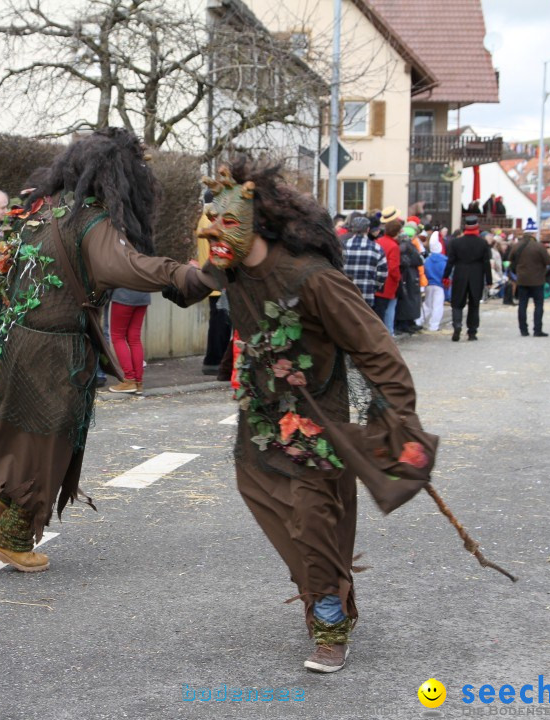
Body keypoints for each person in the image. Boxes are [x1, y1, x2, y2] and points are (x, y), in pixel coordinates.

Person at [180, 158, 433, 674]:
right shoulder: (229, 272)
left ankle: (328, 618)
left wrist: (400, 422)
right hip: (259, 421)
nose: (213, 236)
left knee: (314, 519)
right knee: (281, 514)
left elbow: (377, 350)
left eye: (224, 225)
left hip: (317, 423)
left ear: (253, 224)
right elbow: (181, 280)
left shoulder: (313, 279)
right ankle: (324, 591)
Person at [0, 128, 217, 574]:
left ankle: (6, 495)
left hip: (14, 338)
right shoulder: (87, 221)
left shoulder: (34, 211)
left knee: (16, 425)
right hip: (57, 349)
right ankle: (13, 537)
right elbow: (126, 265)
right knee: (51, 440)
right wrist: (186, 276)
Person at [197, 191, 232, 376]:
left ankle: (216, 360)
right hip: (218, 281)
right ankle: (213, 360)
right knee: (220, 324)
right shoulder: (212, 222)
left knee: (219, 322)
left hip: (212, 280)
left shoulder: (204, 220)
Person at [443, 216, 492, 341]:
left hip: (460, 273)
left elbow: (450, 261)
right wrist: (489, 280)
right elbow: (486, 263)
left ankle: (457, 325)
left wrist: (445, 276)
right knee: (474, 304)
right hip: (477, 275)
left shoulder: (456, 242)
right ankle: (472, 331)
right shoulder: (482, 243)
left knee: (457, 303)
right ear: (477, 227)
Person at [107, 288, 151, 394]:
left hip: (124, 294)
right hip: (143, 295)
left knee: (117, 337)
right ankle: (138, 382)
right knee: (134, 338)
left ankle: (129, 380)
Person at [340, 212, 388, 309]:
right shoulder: (376, 248)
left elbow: (335, 268)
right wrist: (374, 287)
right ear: (368, 229)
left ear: (352, 229)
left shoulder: (342, 246)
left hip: (345, 294)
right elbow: (383, 273)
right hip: (366, 294)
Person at [511, 233, 550, 337]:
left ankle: (523, 330)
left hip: (522, 280)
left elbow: (510, 258)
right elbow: (548, 261)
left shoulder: (517, 246)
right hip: (537, 280)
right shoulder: (539, 247)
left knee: (522, 305)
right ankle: (537, 330)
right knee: (538, 305)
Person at [394, 225, 423, 335]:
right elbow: (418, 260)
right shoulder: (407, 246)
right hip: (408, 275)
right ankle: (406, 323)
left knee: (409, 299)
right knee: (409, 299)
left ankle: (408, 322)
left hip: (408, 275)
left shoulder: (402, 246)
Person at [374, 220, 402, 335]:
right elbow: (393, 267)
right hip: (388, 282)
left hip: (376, 279)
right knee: (389, 309)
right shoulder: (394, 246)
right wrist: (398, 278)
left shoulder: (378, 241)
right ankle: (388, 333)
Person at [422, 235, 447, 332]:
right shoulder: (444, 260)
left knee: (427, 304)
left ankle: (419, 320)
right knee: (437, 305)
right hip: (439, 285)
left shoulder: (427, 259)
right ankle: (434, 325)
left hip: (429, 284)